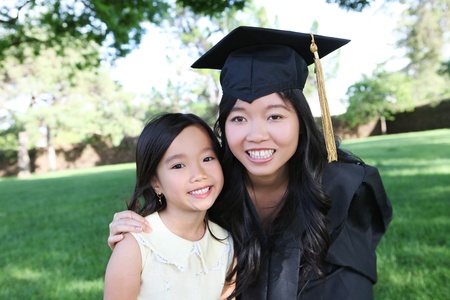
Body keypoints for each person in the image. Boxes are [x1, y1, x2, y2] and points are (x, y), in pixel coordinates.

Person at [107, 26, 393, 299]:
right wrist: (135, 238)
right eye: (239, 118)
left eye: (275, 116)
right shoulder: (214, 189)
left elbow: (348, 290)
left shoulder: (340, 192)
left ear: (301, 122)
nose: (256, 135)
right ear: (224, 126)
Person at [103, 113, 235, 300]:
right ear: (155, 182)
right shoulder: (135, 244)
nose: (199, 174)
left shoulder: (226, 242)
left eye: (207, 158)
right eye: (179, 165)